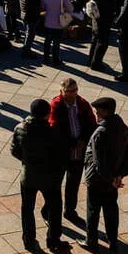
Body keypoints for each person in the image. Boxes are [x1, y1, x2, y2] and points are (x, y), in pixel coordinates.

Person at [11, 98, 67, 253]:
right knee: (55, 209)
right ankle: (53, 240)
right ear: (47, 114)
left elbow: (14, 151)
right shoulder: (52, 132)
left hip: (28, 176)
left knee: (27, 209)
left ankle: (29, 240)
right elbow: (60, 155)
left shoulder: (20, 128)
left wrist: (27, 161)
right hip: (49, 178)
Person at [83, 97, 128, 254]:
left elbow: (99, 162)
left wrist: (111, 178)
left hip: (98, 179)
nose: (96, 114)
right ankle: (113, 241)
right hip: (113, 180)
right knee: (111, 210)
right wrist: (120, 175)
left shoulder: (101, 132)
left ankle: (91, 241)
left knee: (93, 210)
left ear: (106, 111)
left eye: (98, 111)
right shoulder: (123, 127)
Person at [48, 78, 96, 228]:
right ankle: (48, 210)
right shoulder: (56, 105)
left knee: (73, 182)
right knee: (56, 183)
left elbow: (91, 124)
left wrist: (82, 141)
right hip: (63, 150)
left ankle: (70, 210)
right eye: (68, 91)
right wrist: (71, 143)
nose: (72, 94)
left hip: (78, 150)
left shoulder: (82, 104)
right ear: (61, 91)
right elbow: (55, 128)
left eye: (74, 90)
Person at [40, 0, 73, 67]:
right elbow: (70, 9)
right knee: (56, 42)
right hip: (59, 23)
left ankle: (46, 58)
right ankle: (55, 59)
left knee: (47, 41)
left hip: (48, 22)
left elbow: (42, 8)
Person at [87, 0, 115, 71]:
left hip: (95, 21)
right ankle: (96, 63)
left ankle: (90, 60)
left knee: (94, 41)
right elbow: (110, 8)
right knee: (102, 43)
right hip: (104, 22)